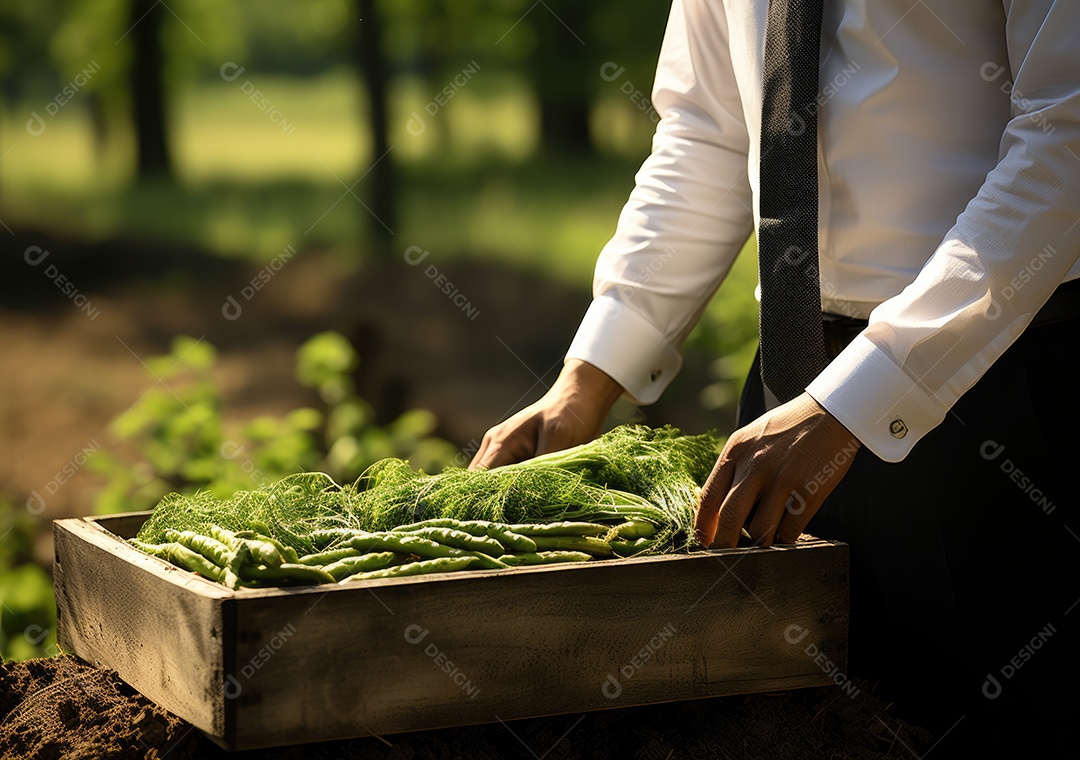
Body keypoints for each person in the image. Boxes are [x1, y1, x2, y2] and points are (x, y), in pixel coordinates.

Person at [471, 0, 1079, 749]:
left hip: (1003, 409)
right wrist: (587, 381)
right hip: (785, 400)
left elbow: (1067, 133)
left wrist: (862, 396)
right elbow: (708, 130)